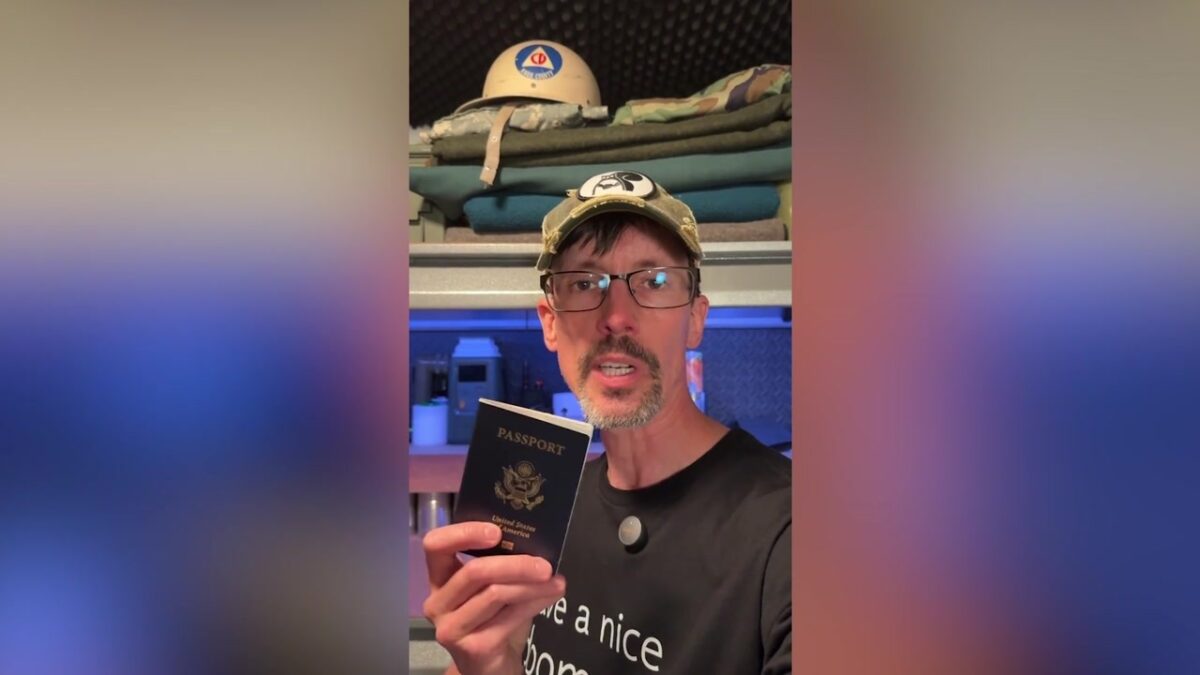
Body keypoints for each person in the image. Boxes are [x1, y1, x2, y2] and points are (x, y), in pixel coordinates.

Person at [422, 170, 792, 675]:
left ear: (695, 319)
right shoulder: (542, 508)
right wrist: (484, 663)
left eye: (654, 281)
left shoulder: (794, 536)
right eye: (583, 283)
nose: (616, 317)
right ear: (550, 323)